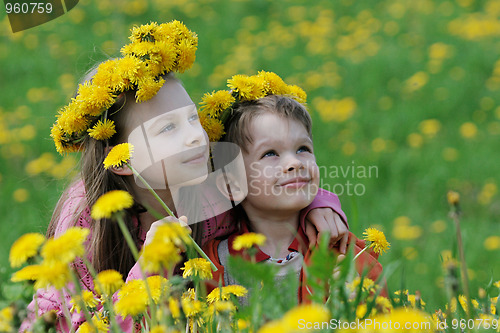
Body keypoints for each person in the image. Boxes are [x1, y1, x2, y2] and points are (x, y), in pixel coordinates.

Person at [21, 22, 349, 332]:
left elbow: (272, 178)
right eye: (168, 128)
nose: (195, 136)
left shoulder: (209, 184)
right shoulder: (85, 221)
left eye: (192, 118)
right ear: (119, 159)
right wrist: (152, 268)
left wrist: (318, 204)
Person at [201, 72, 384, 303]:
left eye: (302, 149)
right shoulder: (214, 265)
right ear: (231, 184)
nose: (295, 163)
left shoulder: (344, 252)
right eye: (270, 154)